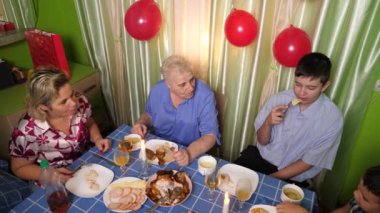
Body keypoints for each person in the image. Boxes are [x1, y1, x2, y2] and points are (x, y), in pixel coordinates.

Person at [234, 52, 344, 186]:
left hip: (292, 176)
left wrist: (268, 180)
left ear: (325, 86)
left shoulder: (332, 118)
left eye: (311, 88)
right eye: (298, 84)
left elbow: (309, 162)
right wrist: (268, 123)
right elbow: (262, 141)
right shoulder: (279, 99)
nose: (301, 92)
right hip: (259, 159)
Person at [9, 67, 111, 184]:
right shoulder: (27, 131)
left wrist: (98, 138)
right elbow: (19, 168)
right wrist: (48, 174)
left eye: (72, 94)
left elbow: (89, 122)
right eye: (63, 102)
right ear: (43, 107)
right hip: (52, 175)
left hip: (85, 161)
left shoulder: (79, 101)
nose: (74, 103)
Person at [131, 55, 220, 166]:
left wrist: (189, 153)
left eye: (192, 79)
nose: (191, 87)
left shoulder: (205, 95)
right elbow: (149, 115)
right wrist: (140, 122)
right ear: (168, 84)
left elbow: (210, 136)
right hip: (158, 150)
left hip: (189, 152)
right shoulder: (157, 90)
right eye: (182, 84)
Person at [276, 165, 380, 213]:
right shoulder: (358, 198)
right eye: (358, 187)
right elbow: (344, 210)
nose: (356, 194)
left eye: (365, 199)